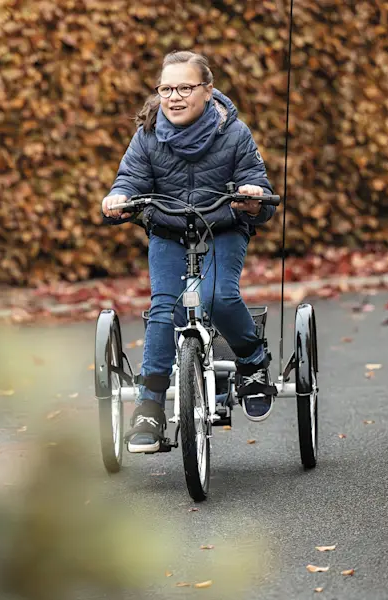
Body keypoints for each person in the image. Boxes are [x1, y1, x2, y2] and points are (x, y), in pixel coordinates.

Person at [101, 50, 278, 453]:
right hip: (168, 231)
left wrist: (253, 196)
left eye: (184, 87)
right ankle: (149, 405)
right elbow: (128, 179)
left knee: (218, 296)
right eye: (166, 88)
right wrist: (118, 198)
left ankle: (251, 362)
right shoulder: (147, 134)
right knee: (166, 308)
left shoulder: (234, 133)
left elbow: (256, 183)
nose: (174, 96)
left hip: (223, 228)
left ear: (207, 90)